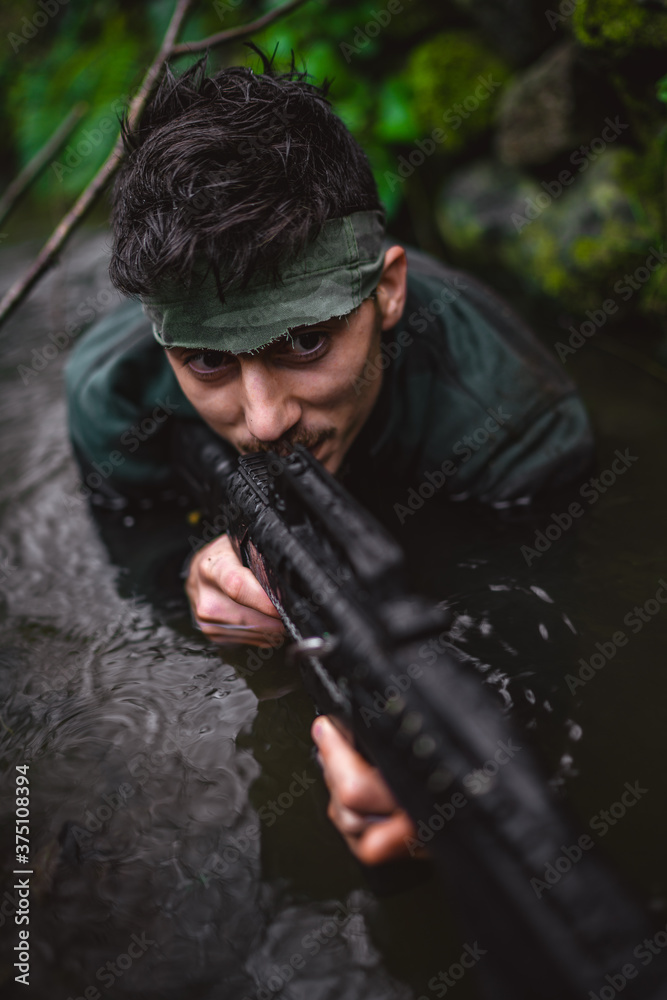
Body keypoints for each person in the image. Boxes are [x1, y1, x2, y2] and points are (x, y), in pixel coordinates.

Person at [65, 54, 594, 868]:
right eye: (207, 361)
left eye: (306, 342)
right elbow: (137, 548)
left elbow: (536, 626)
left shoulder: (515, 419)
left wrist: (461, 773)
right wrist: (189, 573)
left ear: (386, 292)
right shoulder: (114, 396)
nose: (266, 419)